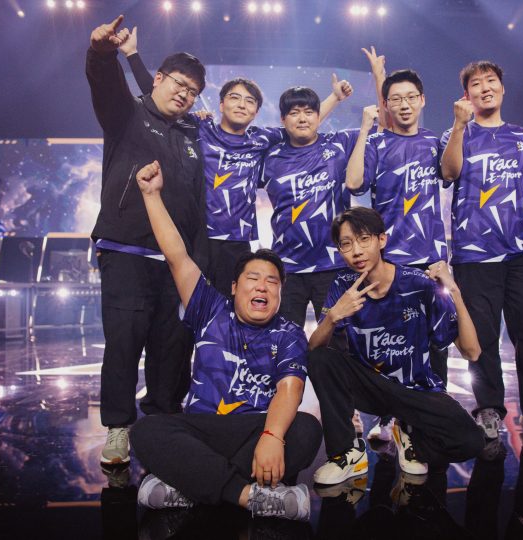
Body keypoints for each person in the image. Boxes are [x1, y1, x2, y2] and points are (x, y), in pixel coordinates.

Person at [130, 161, 322, 521]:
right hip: (204, 428)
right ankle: (248, 495)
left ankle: (189, 486)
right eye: (253, 278)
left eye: (272, 281)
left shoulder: (288, 332)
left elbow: (290, 389)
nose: (262, 286)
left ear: (280, 293)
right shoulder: (209, 309)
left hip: (255, 428)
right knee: (146, 430)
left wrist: (272, 436)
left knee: (306, 430)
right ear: (234, 287)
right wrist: (152, 195)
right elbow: (177, 257)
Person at [119, 28, 353, 296]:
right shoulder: (200, 127)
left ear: (256, 111)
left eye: (250, 101)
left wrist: (335, 98)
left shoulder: (262, 139)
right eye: (235, 98)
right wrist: (132, 54)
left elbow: (303, 123)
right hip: (198, 238)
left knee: (234, 309)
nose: (242, 105)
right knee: (194, 309)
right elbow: (161, 98)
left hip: (239, 242)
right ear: (221, 105)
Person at [86, 15, 208, 464]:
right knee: (124, 342)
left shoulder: (192, 135)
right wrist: (101, 54)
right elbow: (106, 86)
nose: (184, 94)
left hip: (177, 264)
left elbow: (196, 204)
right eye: (179, 83)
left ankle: (163, 423)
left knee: (171, 347)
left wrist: (197, 263)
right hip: (127, 252)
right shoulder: (128, 114)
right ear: (158, 78)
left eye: (193, 90)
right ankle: (118, 427)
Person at [440, 60, 523, 441]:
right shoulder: (457, 133)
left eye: (491, 81)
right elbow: (448, 172)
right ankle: (489, 409)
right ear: (467, 95)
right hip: (475, 254)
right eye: (476, 84)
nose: (485, 88)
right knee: (481, 338)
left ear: (502, 88)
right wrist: (459, 126)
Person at [307, 206, 485, 484]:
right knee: (321, 359)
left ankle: (411, 439)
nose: (356, 251)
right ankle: (347, 453)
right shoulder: (343, 284)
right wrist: (333, 317)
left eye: (364, 239)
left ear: (382, 240)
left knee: (471, 441)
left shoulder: (418, 284)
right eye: (346, 244)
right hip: (372, 386)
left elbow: (472, 352)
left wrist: (454, 291)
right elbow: (314, 349)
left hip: (415, 391)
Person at [346, 66, 449, 386]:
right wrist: (364, 130)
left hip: (430, 258)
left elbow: (451, 174)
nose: (404, 105)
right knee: (391, 341)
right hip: (389, 259)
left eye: (410, 97)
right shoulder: (376, 143)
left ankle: (436, 403)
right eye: (396, 99)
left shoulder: (434, 142)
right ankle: (390, 407)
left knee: (436, 339)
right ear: (386, 104)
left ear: (422, 100)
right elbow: (354, 183)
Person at [260, 87, 358, 328]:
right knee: (284, 340)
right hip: (287, 267)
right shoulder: (269, 157)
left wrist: (377, 77)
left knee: (337, 341)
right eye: (294, 113)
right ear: (283, 119)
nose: (302, 118)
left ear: (318, 115)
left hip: (334, 265)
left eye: (309, 112)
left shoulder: (340, 145)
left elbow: (385, 127)